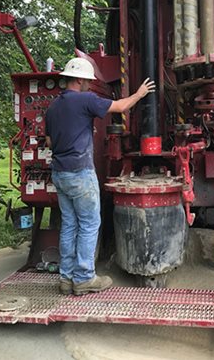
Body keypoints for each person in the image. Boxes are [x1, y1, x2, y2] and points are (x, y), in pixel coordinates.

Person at [45, 57, 155, 295]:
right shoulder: (86, 100)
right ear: (79, 80)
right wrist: (139, 93)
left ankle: (66, 278)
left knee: (70, 225)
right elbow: (120, 107)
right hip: (79, 174)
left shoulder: (53, 107)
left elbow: (49, 141)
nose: (88, 85)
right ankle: (84, 278)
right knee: (89, 224)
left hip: (60, 174)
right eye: (87, 81)